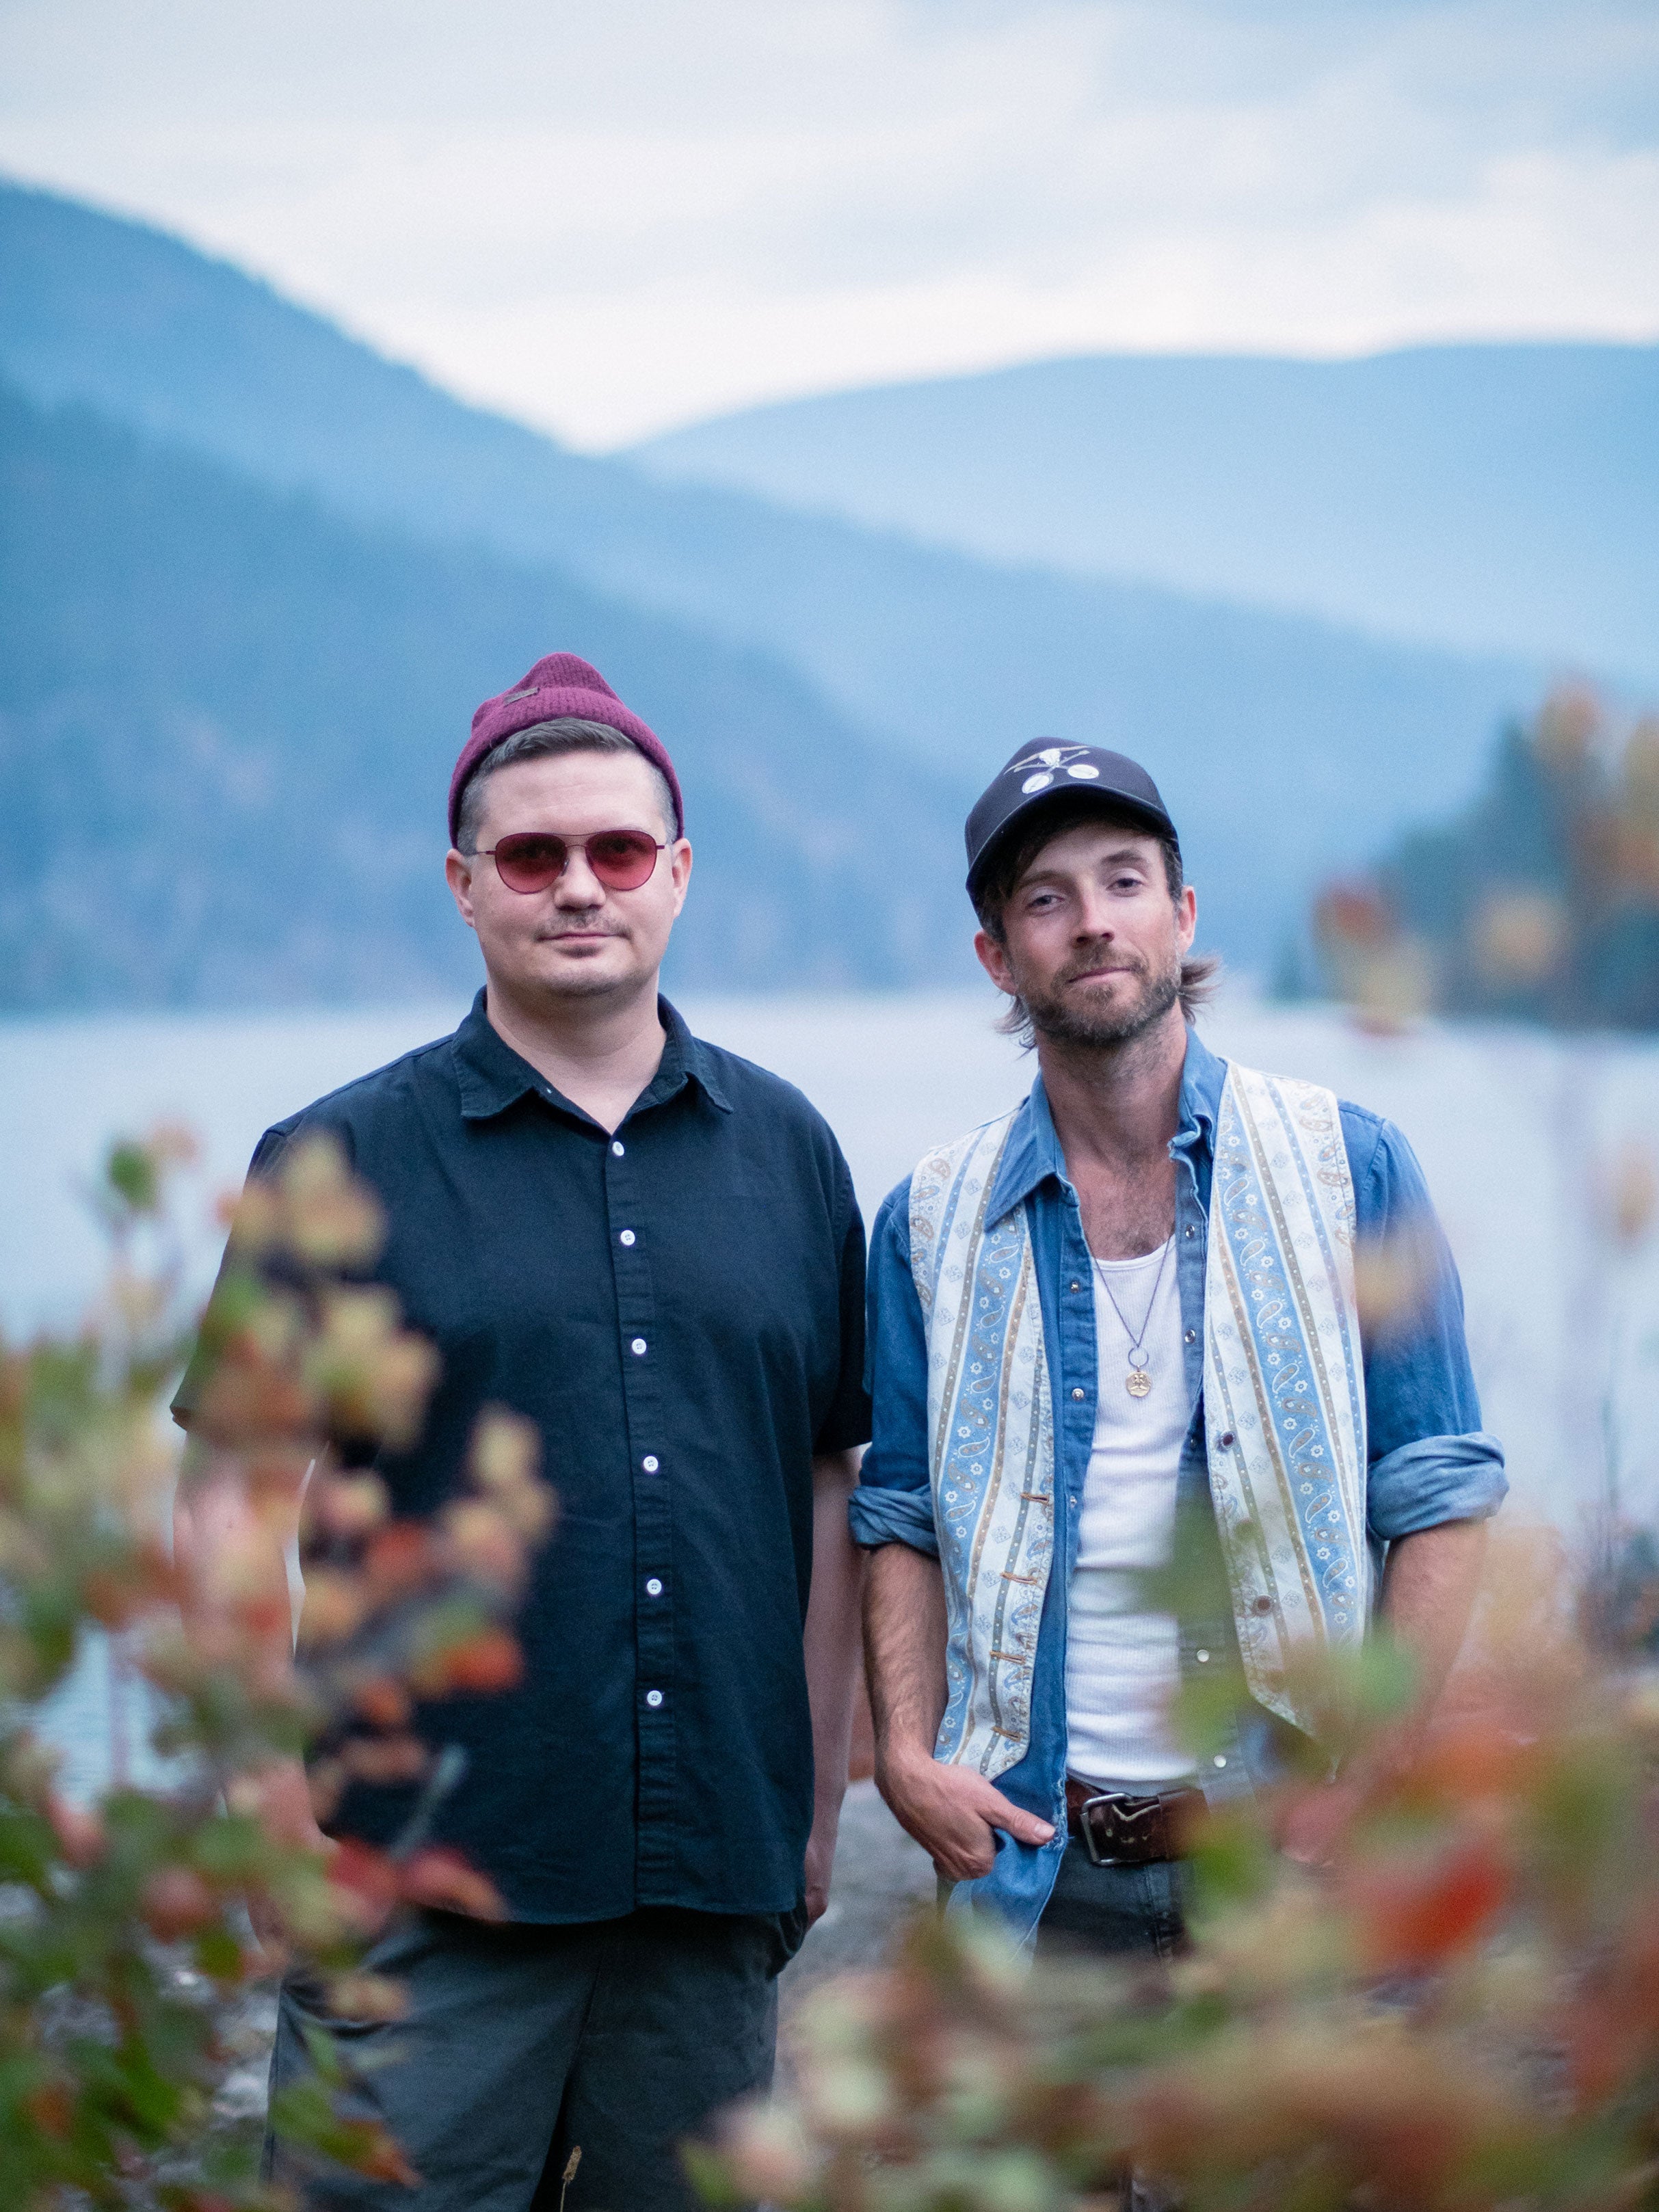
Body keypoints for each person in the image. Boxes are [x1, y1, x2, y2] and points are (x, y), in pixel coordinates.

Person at [172, 654, 869, 2209]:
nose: (578, 887)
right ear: (464, 882)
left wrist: (817, 1801)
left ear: (676, 872)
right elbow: (230, 1494)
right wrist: (266, 1809)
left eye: (616, 849)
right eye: (532, 854)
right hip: (415, 1901)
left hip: (709, 1897)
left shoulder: (791, 1152)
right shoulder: (339, 1157)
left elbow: (826, 1479)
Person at [854, 741, 1506, 1958]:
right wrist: (902, 1753)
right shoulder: (928, 1222)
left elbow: (1438, 1493)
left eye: (1123, 881)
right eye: (1045, 898)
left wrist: (1377, 1768)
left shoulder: (1349, 1166)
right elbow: (899, 1515)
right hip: (1031, 1874)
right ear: (997, 954)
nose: (1092, 922)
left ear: (1182, 912)